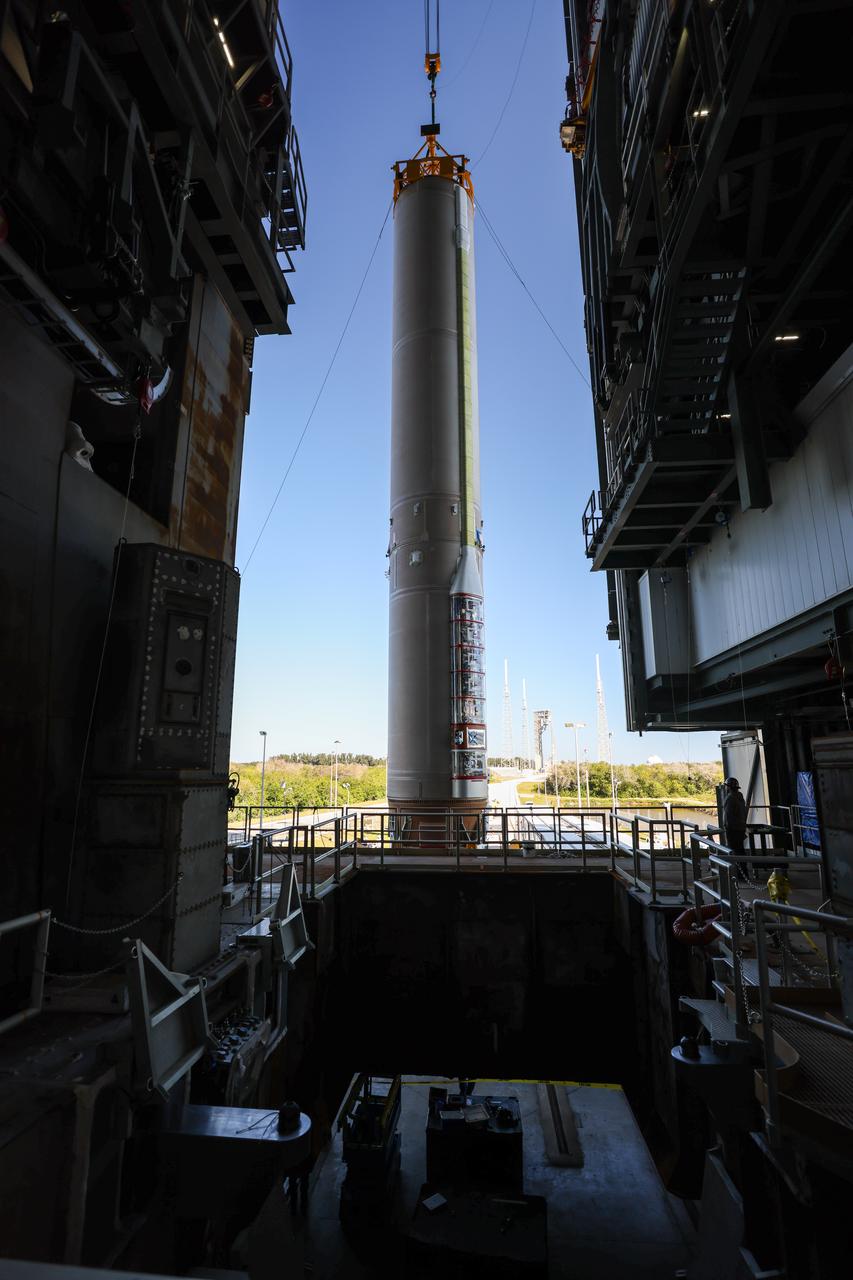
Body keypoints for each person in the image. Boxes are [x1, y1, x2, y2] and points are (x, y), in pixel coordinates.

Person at [723, 777, 748, 880]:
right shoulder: (740, 796)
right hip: (740, 828)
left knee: (734, 851)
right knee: (740, 851)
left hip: (732, 829)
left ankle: (738, 875)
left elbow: (728, 816)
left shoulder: (730, 798)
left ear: (728, 787)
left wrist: (727, 827)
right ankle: (743, 873)